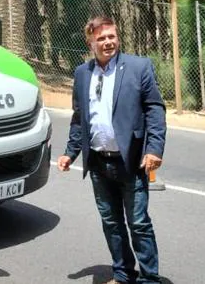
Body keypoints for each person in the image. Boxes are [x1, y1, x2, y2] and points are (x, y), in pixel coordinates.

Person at [58, 15, 166, 284]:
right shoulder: (82, 73)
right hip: (98, 162)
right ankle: (122, 274)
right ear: (90, 42)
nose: (108, 42)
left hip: (131, 161)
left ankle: (150, 279)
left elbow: (154, 109)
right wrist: (70, 152)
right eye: (101, 38)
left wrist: (154, 148)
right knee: (112, 223)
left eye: (112, 37)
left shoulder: (138, 67)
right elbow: (80, 116)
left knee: (138, 223)